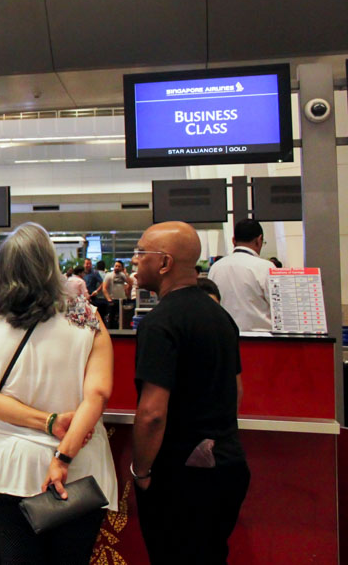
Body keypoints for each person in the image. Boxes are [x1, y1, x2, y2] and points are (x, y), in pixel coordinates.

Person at [0, 223, 117, 564]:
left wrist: (48, 422)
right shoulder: (86, 318)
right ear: (52, 265)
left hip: (9, 467)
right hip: (82, 470)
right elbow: (97, 394)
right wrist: (62, 456)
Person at [131, 222, 249, 564]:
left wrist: (141, 471)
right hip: (227, 467)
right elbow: (236, 390)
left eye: (142, 253)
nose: (135, 261)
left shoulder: (160, 323)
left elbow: (152, 413)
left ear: (164, 263)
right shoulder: (221, 317)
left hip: (181, 476)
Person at [207, 219, 275, 332]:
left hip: (226, 337)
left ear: (233, 240)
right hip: (262, 341)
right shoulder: (265, 267)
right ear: (259, 240)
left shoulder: (216, 267)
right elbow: (278, 308)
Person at [102, 260, 130, 329]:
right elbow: (104, 288)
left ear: (122, 268)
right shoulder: (109, 275)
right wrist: (109, 299)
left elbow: (130, 283)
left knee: (123, 318)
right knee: (112, 318)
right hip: (113, 300)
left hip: (122, 299)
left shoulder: (123, 275)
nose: (117, 267)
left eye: (119, 266)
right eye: (116, 266)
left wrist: (125, 273)